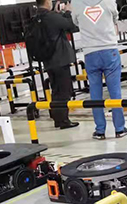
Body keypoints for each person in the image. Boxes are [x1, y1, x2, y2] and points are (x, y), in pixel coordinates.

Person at [71, 0, 127, 140]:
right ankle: (119, 129)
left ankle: (100, 130)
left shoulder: (76, 2)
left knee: (95, 93)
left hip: (90, 52)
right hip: (109, 49)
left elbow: (75, 22)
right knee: (115, 91)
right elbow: (115, 17)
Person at [35, 0, 79, 130]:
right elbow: (70, 25)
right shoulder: (51, 17)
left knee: (56, 90)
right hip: (60, 59)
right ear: (47, 2)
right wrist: (68, 12)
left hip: (48, 60)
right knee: (64, 91)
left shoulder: (37, 18)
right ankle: (63, 120)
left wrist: (59, 14)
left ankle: (58, 119)